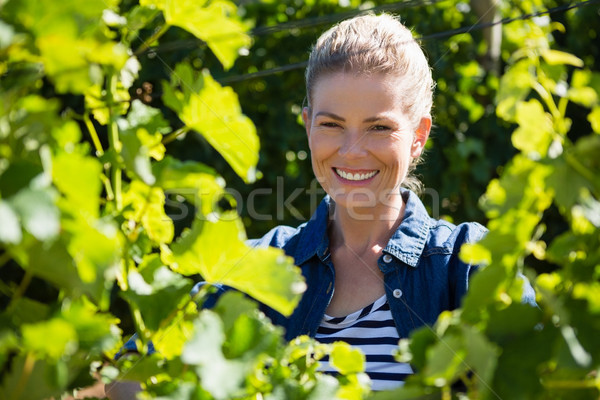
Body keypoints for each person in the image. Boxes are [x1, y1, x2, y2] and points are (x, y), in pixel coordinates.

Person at [107, 13, 534, 397]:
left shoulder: (467, 264)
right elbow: (131, 372)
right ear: (309, 126)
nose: (351, 152)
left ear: (418, 135)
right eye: (332, 125)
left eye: (378, 127)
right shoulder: (263, 264)